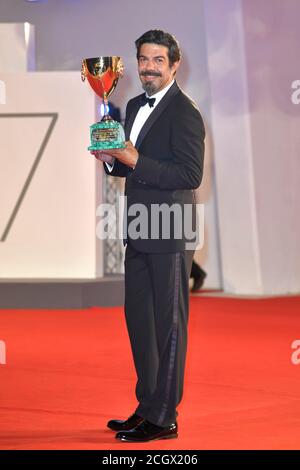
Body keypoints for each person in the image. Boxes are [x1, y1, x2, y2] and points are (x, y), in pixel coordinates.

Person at [91, 29, 205, 442]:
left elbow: (190, 175)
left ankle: (165, 417)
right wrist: (111, 161)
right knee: (140, 322)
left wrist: (134, 157)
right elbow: (128, 166)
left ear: (174, 65)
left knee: (168, 326)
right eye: (143, 59)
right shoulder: (135, 104)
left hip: (172, 230)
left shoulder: (186, 112)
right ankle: (147, 405)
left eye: (158, 60)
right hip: (138, 228)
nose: (149, 67)